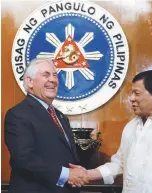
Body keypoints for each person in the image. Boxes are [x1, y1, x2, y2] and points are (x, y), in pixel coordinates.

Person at [70, 70, 152, 193]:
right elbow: (119, 164)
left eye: (137, 93)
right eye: (131, 93)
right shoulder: (131, 127)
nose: (131, 98)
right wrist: (87, 174)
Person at [4, 58, 89, 193]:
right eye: (46, 75)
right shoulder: (18, 114)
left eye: (55, 75)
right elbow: (24, 159)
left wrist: (80, 172)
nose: (53, 80)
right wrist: (66, 175)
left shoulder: (61, 116)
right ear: (29, 82)